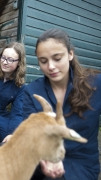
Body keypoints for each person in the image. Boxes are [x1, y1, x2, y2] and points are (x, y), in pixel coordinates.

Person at [23, 28, 101, 180]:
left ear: (70, 54)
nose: (50, 66)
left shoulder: (95, 84)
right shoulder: (31, 91)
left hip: (80, 164)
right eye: (43, 61)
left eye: (57, 58)